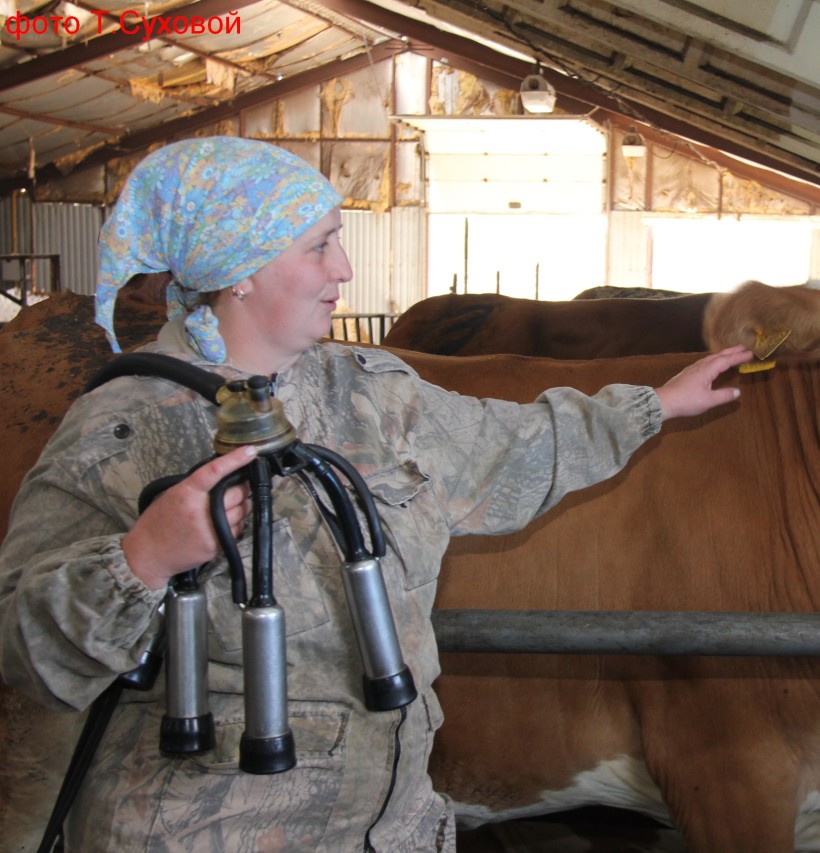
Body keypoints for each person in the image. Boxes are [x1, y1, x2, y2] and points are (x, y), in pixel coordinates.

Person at [0, 136, 752, 851]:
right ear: (242, 268)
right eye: (319, 246)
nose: (345, 271)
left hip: (384, 826)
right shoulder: (126, 427)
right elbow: (23, 649)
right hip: (200, 830)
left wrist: (657, 404)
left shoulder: (370, 392)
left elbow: (515, 445)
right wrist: (142, 559)